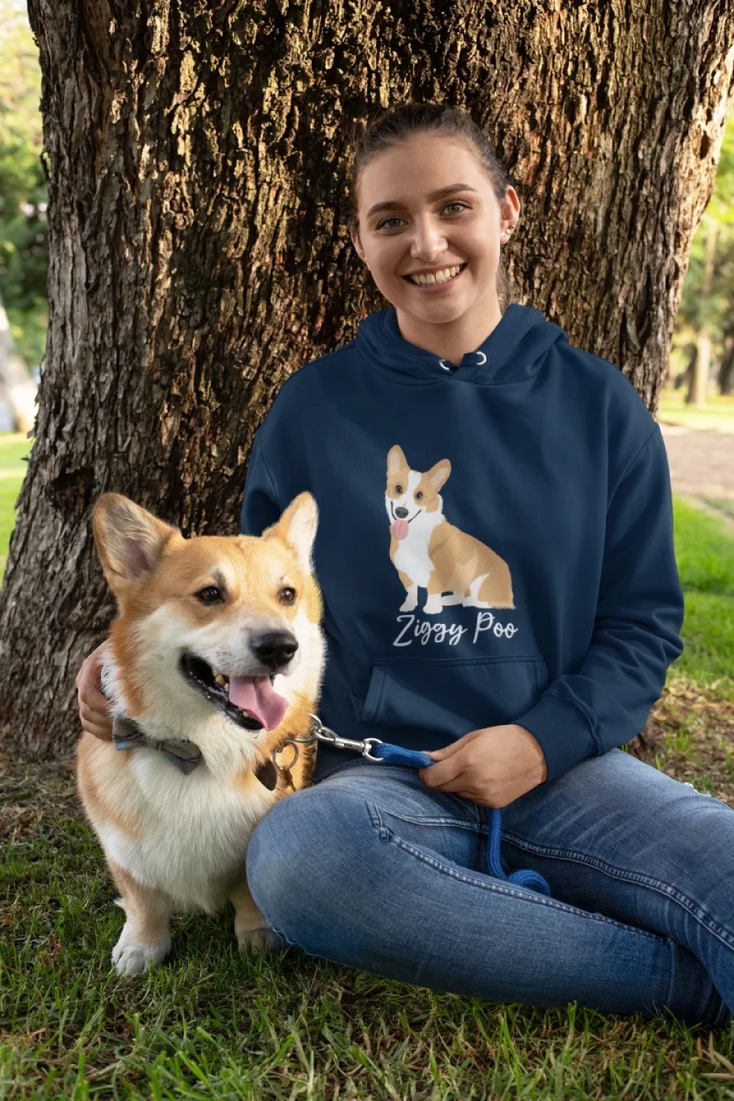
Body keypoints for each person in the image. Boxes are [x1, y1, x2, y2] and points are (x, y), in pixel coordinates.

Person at [77, 102, 734, 1027]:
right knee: (298, 864)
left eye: (454, 206)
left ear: (506, 211)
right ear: (361, 240)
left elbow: (643, 625)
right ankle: (680, 983)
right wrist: (124, 658)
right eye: (390, 219)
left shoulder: (601, 405)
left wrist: (541, 741)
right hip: (375, 781)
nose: (426, 243)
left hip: (565, 767)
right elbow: (254, 603)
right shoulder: (310, 411)